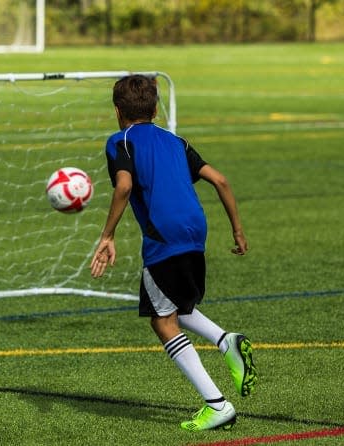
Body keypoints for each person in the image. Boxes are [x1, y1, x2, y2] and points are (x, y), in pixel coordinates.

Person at [90, 74, 257, 431]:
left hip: (163, 236)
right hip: (196, 230)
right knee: (176, 305)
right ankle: (226, 341)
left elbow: (124, 186)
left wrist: (108, 235)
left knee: (161, 320)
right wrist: (238, 231)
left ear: (118, 111)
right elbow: (221, 180)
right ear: (154, 109)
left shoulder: (120, 142)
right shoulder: (176, 141)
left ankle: (217, 404)